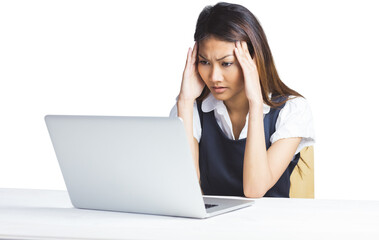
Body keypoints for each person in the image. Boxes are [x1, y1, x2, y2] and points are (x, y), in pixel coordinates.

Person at [169, 2, 315, 198]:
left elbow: (254, 189)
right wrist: (185, 102)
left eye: (226, 63)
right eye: (204, 62)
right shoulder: (190, 108)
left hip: (271, 226)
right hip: (210, 228)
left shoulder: (292, 109)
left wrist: (255, 104)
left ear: (253, 60)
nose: (214, 76)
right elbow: (184, 189)